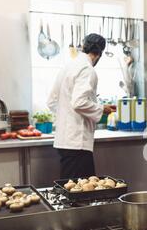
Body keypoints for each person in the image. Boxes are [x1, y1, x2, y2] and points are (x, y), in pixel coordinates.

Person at [47, 33, 112, 179]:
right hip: (78, 143)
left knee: (70, 189)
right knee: (83, 193)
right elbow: (79, 103)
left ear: (83, 47)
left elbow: (51, 101)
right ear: (99, 53)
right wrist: (102, 109)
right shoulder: (87, 69)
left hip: (65, 140)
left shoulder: (68, 66)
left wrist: (67, 118)